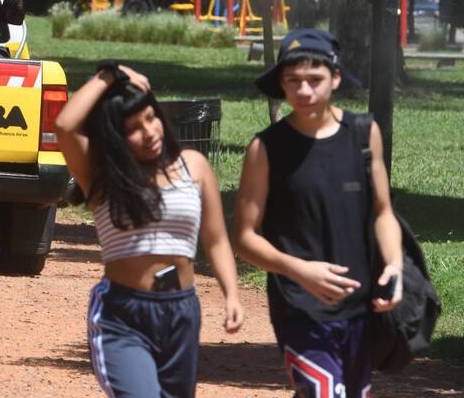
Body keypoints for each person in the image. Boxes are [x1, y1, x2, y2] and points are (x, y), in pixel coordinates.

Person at [54, 61, 243, 398]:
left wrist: (231, 294)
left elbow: (216, 240)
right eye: (133, 127)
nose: (150, 131)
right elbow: (65, 126)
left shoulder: (193, 167)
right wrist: (110, 74)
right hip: (122, 314)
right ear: (115, 136)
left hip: (181, 311)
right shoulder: (103, 176)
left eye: (151, 117)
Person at [233, 28, 403, 398]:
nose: (304, 91)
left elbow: (383, 212)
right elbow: (244, 237)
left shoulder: (363, 133)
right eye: (293, 81)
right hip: (299, 308)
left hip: (360, 306)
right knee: (324, 392)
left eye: (315, 80)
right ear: (281, 82)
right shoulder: (265, 148)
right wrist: (299, 270)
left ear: (336, 78)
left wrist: (393, 265)